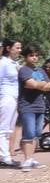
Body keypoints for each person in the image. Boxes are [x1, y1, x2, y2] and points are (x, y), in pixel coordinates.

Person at [16, 45, 50, 171]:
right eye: (31, 55)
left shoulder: (40, 71)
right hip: (27, 106)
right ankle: (26, 160)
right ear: (26, 57)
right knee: (29, 133)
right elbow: (30, 84)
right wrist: (41, 85)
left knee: (37, 133)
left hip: (40, 106)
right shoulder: (24, 70)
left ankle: (31, 159)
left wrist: (39, 85)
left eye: (36, 55)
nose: (34, 58)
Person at [0, 40, 20, 168]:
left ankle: (4, 155)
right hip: (6, 96)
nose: (19, 50)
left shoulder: (15, 63)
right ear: (9, 49)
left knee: (10, 128)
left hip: (15, 97)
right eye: (17, 48)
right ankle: (5, 156)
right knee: (4, 128)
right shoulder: (3, 63)